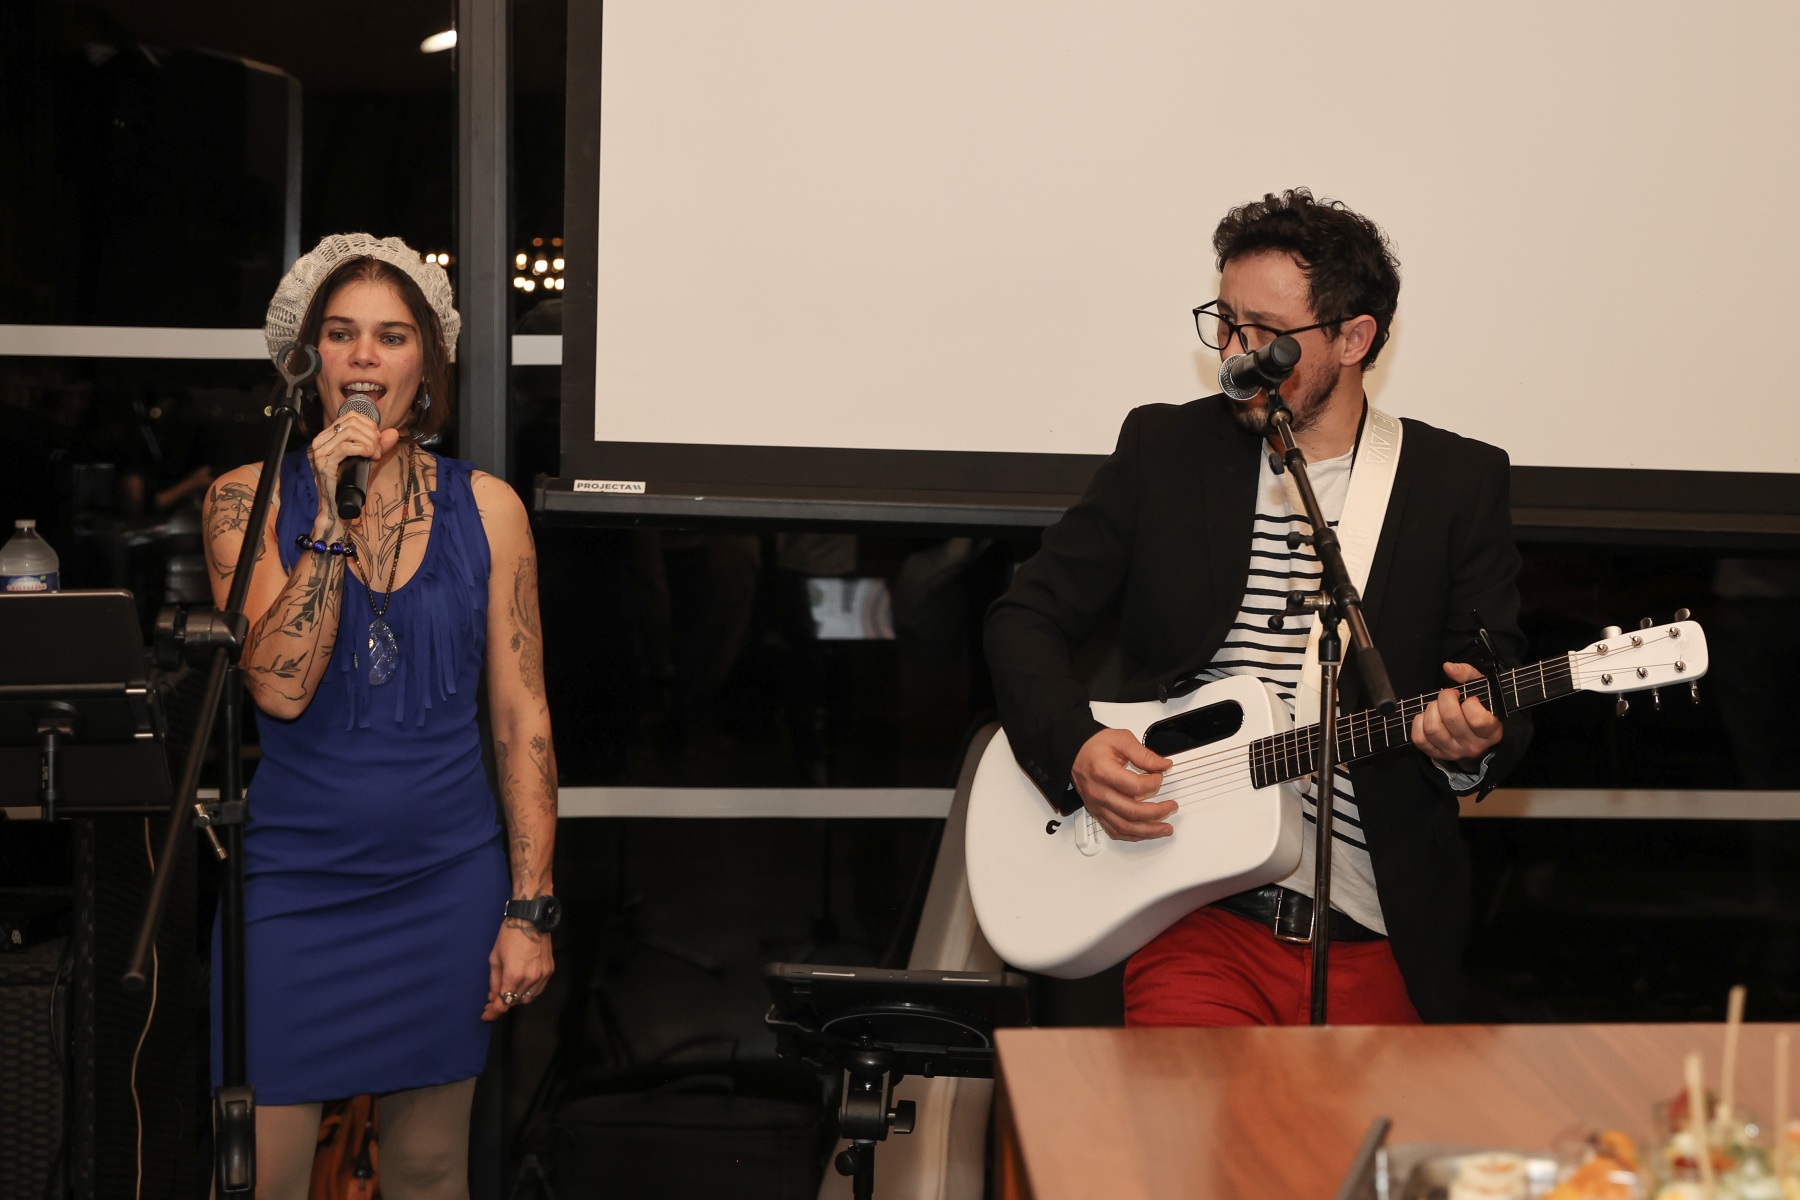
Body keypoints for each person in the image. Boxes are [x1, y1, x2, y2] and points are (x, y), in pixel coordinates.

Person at [984, 189, 1531, 1026]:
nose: (1236, 356)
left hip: (1374, 931)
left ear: (1354, 339)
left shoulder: (1454, 482)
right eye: (1225, 324)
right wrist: (1075, 747)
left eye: (1266, 334)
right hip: (1193, 915)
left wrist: (1471, 741)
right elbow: (1024, 617)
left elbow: (1490, 679)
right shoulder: (1169, 450)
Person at [202, 233, 560, 1197]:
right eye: (341, 333)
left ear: (426, 367)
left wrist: (529, 906)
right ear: (306, 359)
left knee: (431, 1171)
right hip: (293, 887)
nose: (364, 356)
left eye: (392, 337)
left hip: (445, 885)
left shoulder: (490, 508)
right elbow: (279, 687)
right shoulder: (243, 502)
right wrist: (328, 516)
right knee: (261, 1179)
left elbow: (522, 716)